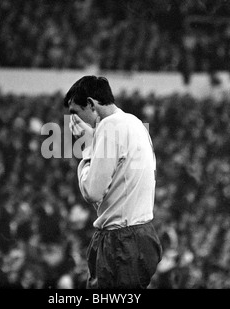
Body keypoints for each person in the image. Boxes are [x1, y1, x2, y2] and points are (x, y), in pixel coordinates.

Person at [63, 76, 162, 289]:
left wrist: (88, 148)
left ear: (91, 104)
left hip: (121, 240)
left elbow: (92, 192)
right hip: (141, 233)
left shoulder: (109, 127)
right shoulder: (134, 123)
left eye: (75, 113)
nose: (73, 120)